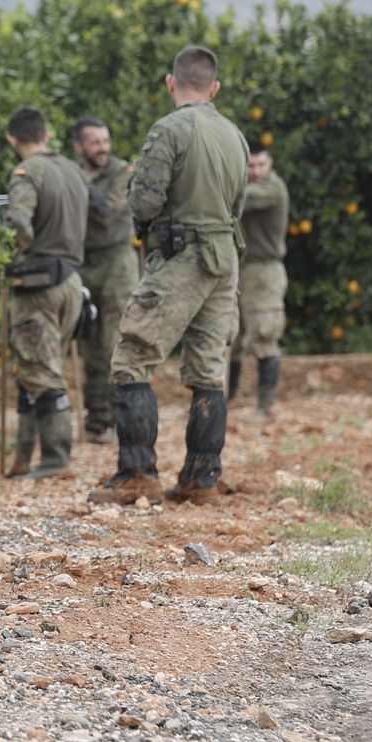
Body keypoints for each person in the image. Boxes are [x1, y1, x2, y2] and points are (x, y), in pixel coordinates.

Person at [90, 45, 249, 506]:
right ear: (215, 87)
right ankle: (201, 478)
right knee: (207, 369)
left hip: (182, 256)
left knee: (133, 355)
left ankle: (138, 474)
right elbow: (238, 205)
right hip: (226, 259)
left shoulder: (169, 129)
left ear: (171, 82)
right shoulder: (235, 135)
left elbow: (143, 202)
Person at [1, 108, 86, 479]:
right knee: (35, 370)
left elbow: (18, 224)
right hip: (71, 282)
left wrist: (4, 254)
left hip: (37, 286)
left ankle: (55, 460)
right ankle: (22, 457)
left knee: (43, 373)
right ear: (47, 135)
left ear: (12, 141)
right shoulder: (72, 170)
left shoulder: (27, 173)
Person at [71, 118, 139, 444]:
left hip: (117, 263)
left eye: (105, 140)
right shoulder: (72, 171)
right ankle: (96, 419)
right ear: (79, 146)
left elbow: (108, 210)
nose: (102, 147)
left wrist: (76, 184)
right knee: (89, 343)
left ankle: (118, 419)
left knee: (115, 341)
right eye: (95, 142)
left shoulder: (123, 172)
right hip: (83, 263)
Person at [230, 142, 289, 419]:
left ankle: (265, 407)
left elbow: (244, 199)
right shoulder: (242, 185)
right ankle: (224, 404)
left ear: (271, 164)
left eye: (260, 165)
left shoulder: (273, 188)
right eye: (250, 166)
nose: (255, 171)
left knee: (265, 335)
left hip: (265, 272)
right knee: (232, 339)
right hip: (239, 269)